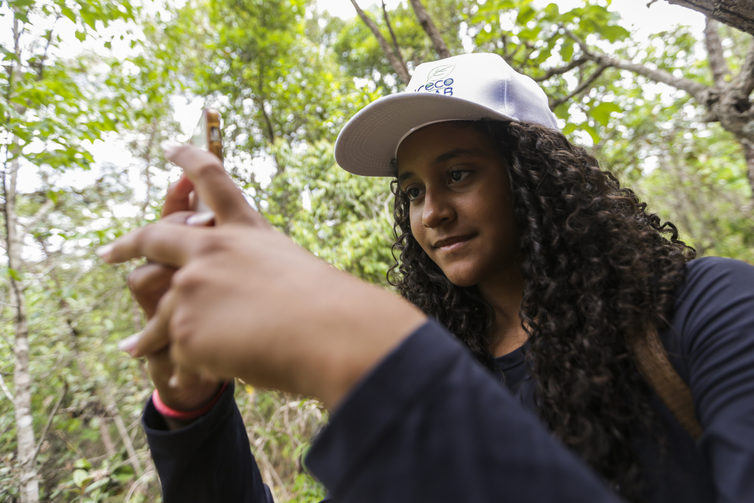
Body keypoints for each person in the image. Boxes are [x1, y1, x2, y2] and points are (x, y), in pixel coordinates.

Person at [99, 53, 754, 502]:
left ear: (538, 175)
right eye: (412, 190)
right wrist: (193, 410)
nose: (432, 210)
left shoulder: (709, 310)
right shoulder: (446, 355)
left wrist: (369, 351)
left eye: (459, 174)